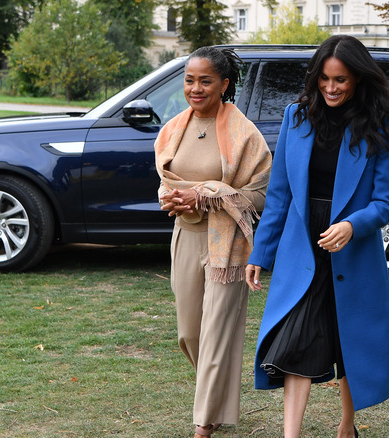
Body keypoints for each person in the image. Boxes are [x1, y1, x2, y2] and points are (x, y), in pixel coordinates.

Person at [245, 34, 389, 438]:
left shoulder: (378, 124)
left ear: (358, 80)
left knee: (349, 342)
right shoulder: (295, 117)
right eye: (325, 79)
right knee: (296, 338)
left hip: (352, 249)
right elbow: (279, 194)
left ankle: (347, 426)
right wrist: (259, 254)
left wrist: (352, 225)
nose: (331, 88)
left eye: (342, 80)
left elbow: (386, 203)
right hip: (303, 246)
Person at [154, 46, 272, 438]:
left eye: (205, 80)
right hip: (185, 237)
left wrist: (207, 193)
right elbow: (167, 179)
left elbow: (259, 195)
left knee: (218, 331)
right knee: (189, 333)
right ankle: (217, 399)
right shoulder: (174, 128)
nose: (196, 88)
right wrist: (172, 197)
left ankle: (203, 423)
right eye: (190, 80)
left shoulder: (245, 135)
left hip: (228, 245)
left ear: (224, 84)